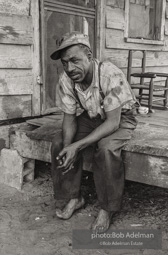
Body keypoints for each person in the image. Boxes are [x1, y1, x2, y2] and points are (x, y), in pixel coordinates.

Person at [50, 31, 137, 233]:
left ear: (89, 56)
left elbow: (113, 123)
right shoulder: (66, 80)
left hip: (120, 118)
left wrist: (77, 146)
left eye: (74, 60)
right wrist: (68, 146)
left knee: (105, 148)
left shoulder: (109, 74)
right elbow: (70, 118)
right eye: (64, 63)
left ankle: (107, 208)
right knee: (58, 142)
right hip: (93, 116)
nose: (69, 68)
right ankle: (74, 197)